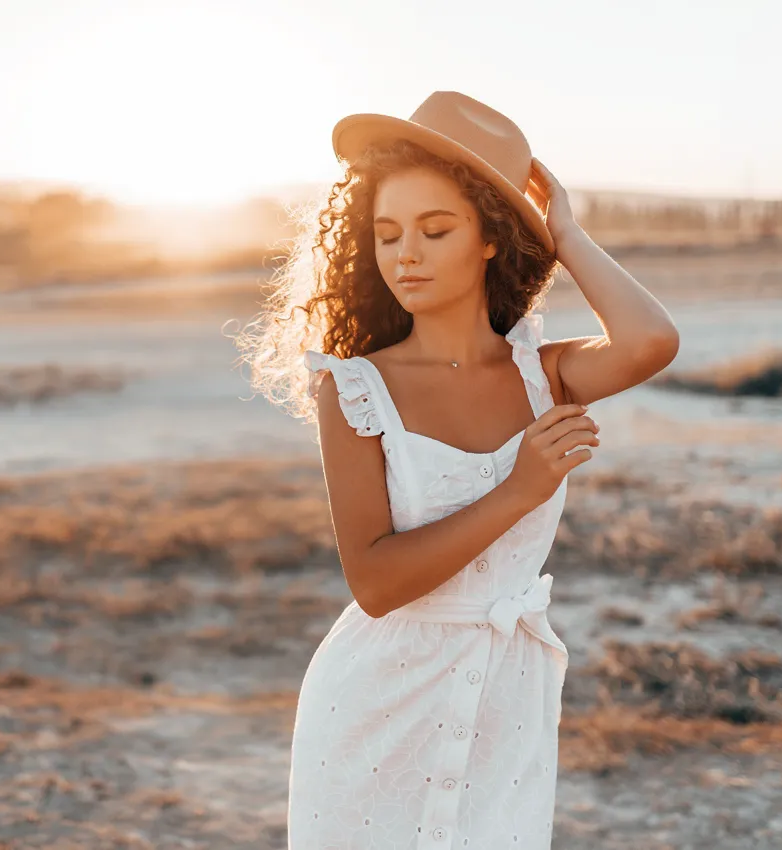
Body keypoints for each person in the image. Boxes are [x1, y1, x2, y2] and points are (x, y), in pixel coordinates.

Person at [235, 91, 681, 848]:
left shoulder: (546, 375)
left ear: (489, 240)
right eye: (387, 234)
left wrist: (565, 232)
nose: (404, 253)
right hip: (374, 710)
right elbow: (375, 585)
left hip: (507, 700)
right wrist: (519, 490)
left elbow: (649, 341)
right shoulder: (353, 389)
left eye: (435, 229)